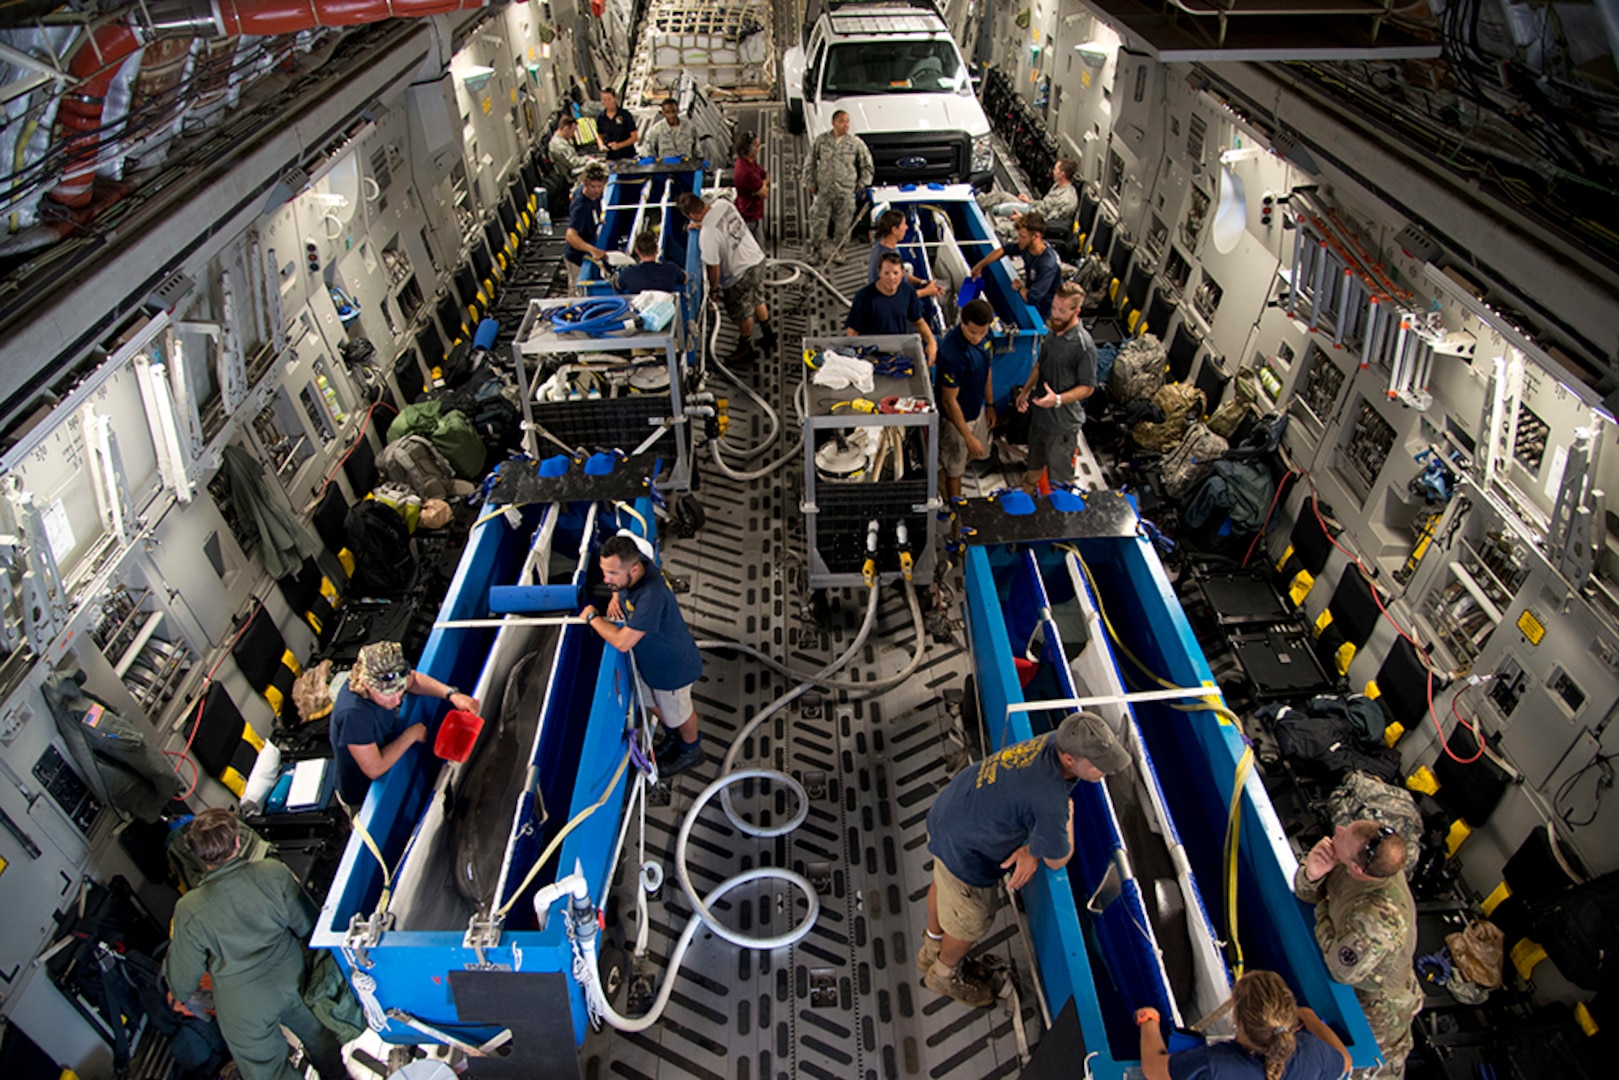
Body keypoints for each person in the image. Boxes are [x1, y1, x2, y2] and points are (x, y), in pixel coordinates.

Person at [919, 711, 1130, 1007]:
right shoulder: (1052, 800)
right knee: (970, 920)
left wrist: (1030, 849)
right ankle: (944, 972)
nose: (1104, 772)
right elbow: (1057, 859)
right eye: (1098, 766)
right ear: (1069, 759)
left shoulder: (1052, 740)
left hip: (947, 813)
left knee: (944, 885)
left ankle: (931, 945)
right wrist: (1067, 813)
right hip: (965, 854)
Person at [164, 809, 348, 1080]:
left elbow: (182, 982)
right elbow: (310, 927)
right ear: (237, 841)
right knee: (322, 1041)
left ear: (197, 855)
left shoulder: (189, 909)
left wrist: (177, 994)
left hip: (242, 1004)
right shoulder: (272, 873)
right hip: (293, 980)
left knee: (269, 1072)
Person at [1295, 820, 1421, 1080]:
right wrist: (1311, 875)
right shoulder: (1356, 855)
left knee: (1362, 1069)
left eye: (1343, 836)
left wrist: (1322, 909)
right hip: (1355, 967)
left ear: (1356, 869)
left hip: (1376, 1006)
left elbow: (1341, 969)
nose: (1338, 831)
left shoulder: (1379, 920)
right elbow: (1308, 892)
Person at [581, 533, 705, 777]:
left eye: (613, 574)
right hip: (650, 662)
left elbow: (622, 642)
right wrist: (616, 595)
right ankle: (674, 736)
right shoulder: (636, 564)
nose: (606, 579)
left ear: (634, 570)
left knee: (679, 712)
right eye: (604, 572)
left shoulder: (651, 595)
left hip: (672, 668)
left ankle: (691, 750)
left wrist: (591, 617)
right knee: (651, 703)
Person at [329, 640, 479, 809]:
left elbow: (413, 680)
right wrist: (411, 735)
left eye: (399, 691)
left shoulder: (389, 678)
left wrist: (452, 694)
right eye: (387, 695)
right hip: (360, 792)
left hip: (380, 741)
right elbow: (375, 768)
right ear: (366, 685)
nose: (396, 700)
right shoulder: (353, 716)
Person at [1136, 969, 1353, 1080]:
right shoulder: (1313, 1053)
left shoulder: (1215, 1065)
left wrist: (1150, 1021)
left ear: (1236, 1020)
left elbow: (1153, 1069)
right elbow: (1344, 1061)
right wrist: (1311, 1019)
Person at [676, 191, 777, 365]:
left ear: (691, 215)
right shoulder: (724, 204)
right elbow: (722, 226)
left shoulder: (707, 235)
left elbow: (713, 267)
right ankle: (769, 337)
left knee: (742, 312)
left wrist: (714, 290)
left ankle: (746, 348)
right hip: (757, 260)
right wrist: (702, 226)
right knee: (757, 298)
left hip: (740, 274)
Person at [1014, 282, 1095, 494]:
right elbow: (1039, 365)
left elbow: (1087, 388)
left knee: (1060, 484)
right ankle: (1026, 507)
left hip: (1062, 427)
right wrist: (1025, 391)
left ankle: (1060, 521)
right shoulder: (1052, 333)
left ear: (1076, 311)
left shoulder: (1083, 345)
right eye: (1054, 308)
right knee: (1032, 470)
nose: (1055, 314)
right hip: (1040, 420)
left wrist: (1057, 399)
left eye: (1062, 310)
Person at [936, 298, 996, 499]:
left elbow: (987, 370)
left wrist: (990, 404)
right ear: (962, 323)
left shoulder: (985, 340)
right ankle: (955, 510)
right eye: (972, 332)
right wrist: (968, 437)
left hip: (975, 409)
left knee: (968, 456)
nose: (977, 337)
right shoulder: (951, 353)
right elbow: (948, 401)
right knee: (954, 469)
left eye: (982, 332)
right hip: (955, 420)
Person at [804, 109, 873, 262]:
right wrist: (811, 182)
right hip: (824, 190)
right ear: (833, 122)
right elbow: (810, 163)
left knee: (843, 224)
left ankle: (840, 251)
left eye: (847, 121)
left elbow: (867, 165)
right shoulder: (821, 141)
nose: (845, 125)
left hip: (846, 192)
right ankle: (816, 250)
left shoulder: (855, 144)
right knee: (819, 222)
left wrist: (862, 183)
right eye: (842, 121)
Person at [970, 212, 1062, 322]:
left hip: (1047, 312)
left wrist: (1019, 287)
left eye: (1023, 237)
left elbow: (1031, 298)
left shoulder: (1047, 264)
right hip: (1032, 293)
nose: (1019, 240)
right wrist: (980, 265)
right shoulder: (1027, 247)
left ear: (1036, 236)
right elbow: (1003, 250)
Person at [978, 158, 1080, 239]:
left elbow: (1047, 224)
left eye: (1055, 169)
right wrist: (1030, 201)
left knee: (1002, 228)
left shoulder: (1066, 200)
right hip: (1032, 212)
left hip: (1034, 227)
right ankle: (978, 201)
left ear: (1062, 174)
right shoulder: (1057, 186)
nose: (1053, 171)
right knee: (1003, 196)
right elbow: (1045, 204)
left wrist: (1022, 219)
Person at [868, 209, 944, 296]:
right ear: (894, 230)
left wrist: (923, 283)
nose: (906, 227)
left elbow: (902, 275)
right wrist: (927, 291)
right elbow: (898, 298)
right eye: (903, 225)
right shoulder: (888, 259)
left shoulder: (884, 245)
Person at [564, 162, 609, 293]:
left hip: (587, 243)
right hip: (576, 258)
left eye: (599, 186)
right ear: (585, 184)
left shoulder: (595, 195)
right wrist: (592, 250)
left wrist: (595, 220)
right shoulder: (580, 207)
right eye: (592, 186)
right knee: (577, 292)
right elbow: (570, 236)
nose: (596, 190)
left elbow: (571, 196)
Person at [615, 228, 687, 294]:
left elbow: (618, 285)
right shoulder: (672, 269)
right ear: (657, 249)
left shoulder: (628, 273)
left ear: (637, 251)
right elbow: (685, 279)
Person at [733, 129, 769, 243]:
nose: (760, 149)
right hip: (749, 216)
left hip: (754, 212)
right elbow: (765, 193)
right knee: (757, 248)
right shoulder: (746, 172)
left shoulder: (749, 162)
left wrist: (761, 185)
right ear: (750, 150)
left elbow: (766, 174)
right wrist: (763, 186)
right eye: (757, 146)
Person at [644, 97, 701, 161]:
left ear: (678, 110)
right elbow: (649, 155)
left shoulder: (690, 128)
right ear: (663, 113)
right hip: (665, 168)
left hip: (687, 168)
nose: (671, 115)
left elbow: (697, 152)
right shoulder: (654, 132)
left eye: (674, 111)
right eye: (668, 112)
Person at [596, 86, 638, 160]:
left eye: (609, 99)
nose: (606, 102)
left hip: (627, 155)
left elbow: (634, 137)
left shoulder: (625, 115)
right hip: (611, 156)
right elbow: (600, 135)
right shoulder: (601, 117)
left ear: (614, 99)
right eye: (604, 100)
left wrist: (619, 145)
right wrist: (601, 146)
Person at [549, 114, 589, 179]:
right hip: (571, 176)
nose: (573, 134)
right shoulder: (559, 144)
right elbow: (573, 162)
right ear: (566, 129)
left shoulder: (563, 140)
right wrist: (587, 159)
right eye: (573, 131)